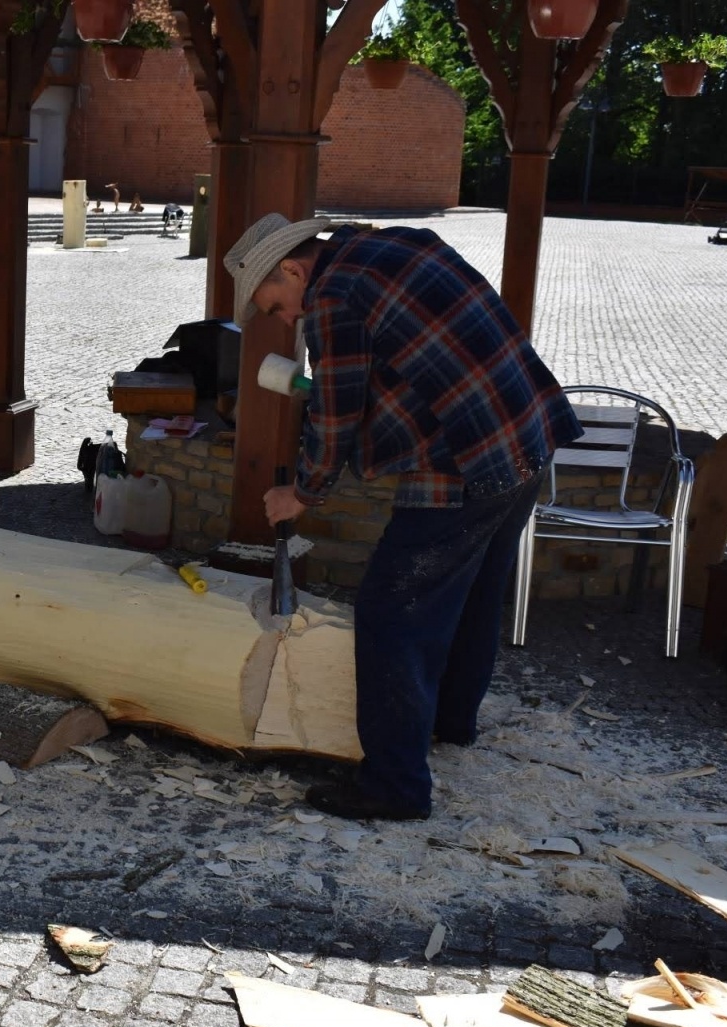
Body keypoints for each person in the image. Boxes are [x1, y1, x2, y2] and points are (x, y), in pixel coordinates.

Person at [224, 213, 582, 821]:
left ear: (293, 267)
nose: (287, 320)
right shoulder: (393, 244)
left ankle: (394, 786)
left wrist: (301, 494)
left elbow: (335, 415)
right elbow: (410, 362)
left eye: (276, 304)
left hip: (466, 462)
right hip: (528, 435)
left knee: (393, 611)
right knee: (471, 592)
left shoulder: (333, 295)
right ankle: (450, 724)